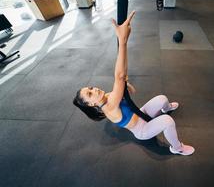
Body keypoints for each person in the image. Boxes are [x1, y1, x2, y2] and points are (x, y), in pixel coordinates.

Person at [73, 11, 195, 156]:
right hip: (142, 130)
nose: (94, 90)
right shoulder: (110, 107)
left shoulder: (107, 96)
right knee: (168, 121)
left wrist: (126, 85)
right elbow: (119, 76)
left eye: (91, 88)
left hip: (140, 113)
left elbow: (128, 89)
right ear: (91, 104)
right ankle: (177, 148)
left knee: (162, 98)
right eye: (90, 94)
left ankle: (165, 108)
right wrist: (122, 40)